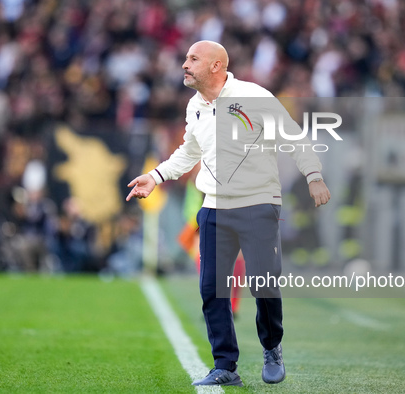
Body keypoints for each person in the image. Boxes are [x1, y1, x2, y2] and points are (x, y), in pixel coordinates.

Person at [126, 41, 330, 386]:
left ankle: (271, 347)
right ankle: (224, 364)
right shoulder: (195, 106)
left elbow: (295, 138)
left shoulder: (254, 97)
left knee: (263, 284)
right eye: (186, 58)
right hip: (214, 209)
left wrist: (314, 176)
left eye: (193, 59)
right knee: (212, 289)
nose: (184, 65)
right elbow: (189, 151)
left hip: (258, 205)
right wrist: (155, 176)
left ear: (217, 66)